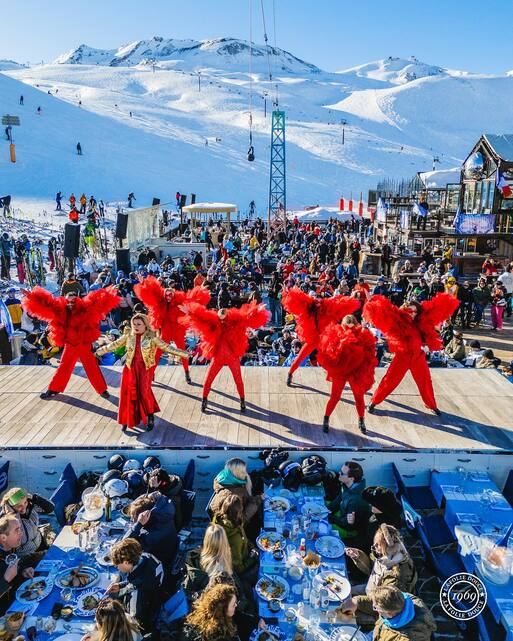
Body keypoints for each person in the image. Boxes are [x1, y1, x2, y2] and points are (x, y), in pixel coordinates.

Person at [364, 294, 459, 416]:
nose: (412, 313)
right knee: (389, 381)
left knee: (425, 382)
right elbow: (383, 313)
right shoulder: (398, 320)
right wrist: (371, 300)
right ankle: (374, 402)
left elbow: (439, 309)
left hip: (418, 357)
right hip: (402, 357)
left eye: (415, 311)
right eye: (410, 311)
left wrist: (449, 294)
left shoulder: (422, 321)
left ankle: (432, 405)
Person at [22, 286, 120, 400]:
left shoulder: (85, 308)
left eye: (73, 301)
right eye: (68, 301)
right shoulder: (59, 310)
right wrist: (30, 295)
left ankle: (102, 390)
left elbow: (100, 302)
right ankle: (53, 389)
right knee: (64, 367)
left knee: (92, 368)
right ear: (65, 300)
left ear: (77, 300)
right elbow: (45, 304)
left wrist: (111, 292)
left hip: (84, 344)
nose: (70, 304)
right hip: (70, 345)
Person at [96, 313, 187, 432]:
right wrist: (99, 351)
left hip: (145, 369)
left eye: (139, 324)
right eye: (134, 324)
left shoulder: (152, 337)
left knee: (144, 392)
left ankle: (150, 416)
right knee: (127, 394)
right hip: (129, 368)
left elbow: (167, 347)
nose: (136, 326)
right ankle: (126, 419)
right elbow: (114, 345)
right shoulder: (128, 335)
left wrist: (184, 354)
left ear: (145, 325)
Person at [181, 302, 270, 413]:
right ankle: (204, 400)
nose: (222, 321)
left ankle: (242, 402)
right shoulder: (214, 323)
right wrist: (189, 312)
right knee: (208, 379)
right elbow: (201, 320)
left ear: (227, 316)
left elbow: (247, 318)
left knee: (238, 380)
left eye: (223, 319)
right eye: (220, 319)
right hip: (219, 357)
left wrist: (257, 310)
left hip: (231, 357)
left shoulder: (235, 322)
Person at [134, 275, 210, 384]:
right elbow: (151, 293)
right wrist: (143, 282)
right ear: (164, 295)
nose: (169, 296)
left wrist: (199, 292)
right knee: (157, 353)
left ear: (174, 294)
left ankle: (187, 372)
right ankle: (151, 374)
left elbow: (193, 301)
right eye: (167, 295)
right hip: (166, 331)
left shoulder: (180, 303)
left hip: (178, 331)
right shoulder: (161, 302)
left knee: (183, 352)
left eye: (170, 294)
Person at [281, 287, 359, 386]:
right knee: (303, 357)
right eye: (315, 299)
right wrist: (287, 292)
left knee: (327, 359)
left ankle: (291, 374)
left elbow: (342, 304)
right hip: (318, 340)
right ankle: (290, 373)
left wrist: (352, 296)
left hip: (321, 340)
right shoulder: (313, 309)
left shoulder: (320, 308)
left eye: (318, 299)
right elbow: (296, 300)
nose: (317, 301)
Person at [343, 525, 417, 628]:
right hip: (370, 590)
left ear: (389, 547)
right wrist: (358, 556)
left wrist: (357, 601)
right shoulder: (386, 556)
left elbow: (384, 604)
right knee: (344, 593)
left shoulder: (397, 577)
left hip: (379, 610)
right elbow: (372, 570)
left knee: (344, 616)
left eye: (378, 545)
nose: (374, 547)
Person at [317, 315, 377, 434]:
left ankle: (361, 421)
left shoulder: (362, 334)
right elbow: (329, 350)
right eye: (346, 327)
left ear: (355, 325)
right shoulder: (336, 333)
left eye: (352, 328)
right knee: (335, 397)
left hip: (355, 371)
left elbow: (369, 350)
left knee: (359, 397)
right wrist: (341, 344)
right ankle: (326, 419)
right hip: (341, 371)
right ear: (343, 325)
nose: (350, 330)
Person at [108, 538, 164, 635]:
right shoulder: (147, 556)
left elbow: (135, 620)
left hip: (145, 618)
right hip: (157, 593)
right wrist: (121, 585)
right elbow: (140, 579)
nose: (117, 568)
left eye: (117, 565)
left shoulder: (137, 596)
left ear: (126, 562)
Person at [124, 490, 178, 568]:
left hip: (158, 563)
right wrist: (147, 496)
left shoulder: (150, 537)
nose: (132, 520)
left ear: (146, 516)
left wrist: (138, 524)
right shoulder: (162, 513)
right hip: (168, 549)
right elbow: (139, 502)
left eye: (134, 517)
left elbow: (125, 544)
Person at [0, 488, 54, 560]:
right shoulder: (6, 521)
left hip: (40, 543)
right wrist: (12, 514)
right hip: (25, 555)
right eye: (19, 506)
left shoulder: (30, 507)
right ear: (11, 507)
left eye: (25, 502)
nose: (23, 508)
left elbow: (50, 508)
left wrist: (34, 498)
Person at [209, 458, 262, 530]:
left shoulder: (225, 481)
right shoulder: (233, 497)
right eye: (242, 472)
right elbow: (241, 520)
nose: (246, 474)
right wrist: (257, 500)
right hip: (234, 529)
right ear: (235, 473)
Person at [211, 495, 257, 578]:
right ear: (238, 513)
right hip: (241, 572)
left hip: (246, 554)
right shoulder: (235, 539)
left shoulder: (223, 520)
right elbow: (238, 568)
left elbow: (244, 538)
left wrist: (252, 547)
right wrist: (253, 559)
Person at [369, 586, 436, 641]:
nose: (375, 609)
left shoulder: (407, 638)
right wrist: (358, 601)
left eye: (375, 608)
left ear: (389, 614)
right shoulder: (401, 599)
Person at [326, 462, 371, 542]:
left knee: (324, 528)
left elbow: (348, 525)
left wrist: (328, 517)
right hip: (342, 514)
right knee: (322, 504)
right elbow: (337, 501)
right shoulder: (346, 485)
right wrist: (325, 510)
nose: (339, 474)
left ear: (351, 478)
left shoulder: (356, 500)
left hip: (350, 530)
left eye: (342, 473)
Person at [0, 514, 36, 610]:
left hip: (20, 597)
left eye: (20, 528)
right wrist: (6, 579)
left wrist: (22, 572)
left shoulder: (10, 548)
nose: (21, 533)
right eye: (17, 530)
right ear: (3, 537)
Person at [361, 486, 403, 553]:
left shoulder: (385, 527)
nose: (370, 505)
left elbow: (373, 548)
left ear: (382, 507)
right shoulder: (381, 513)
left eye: (373, 504)